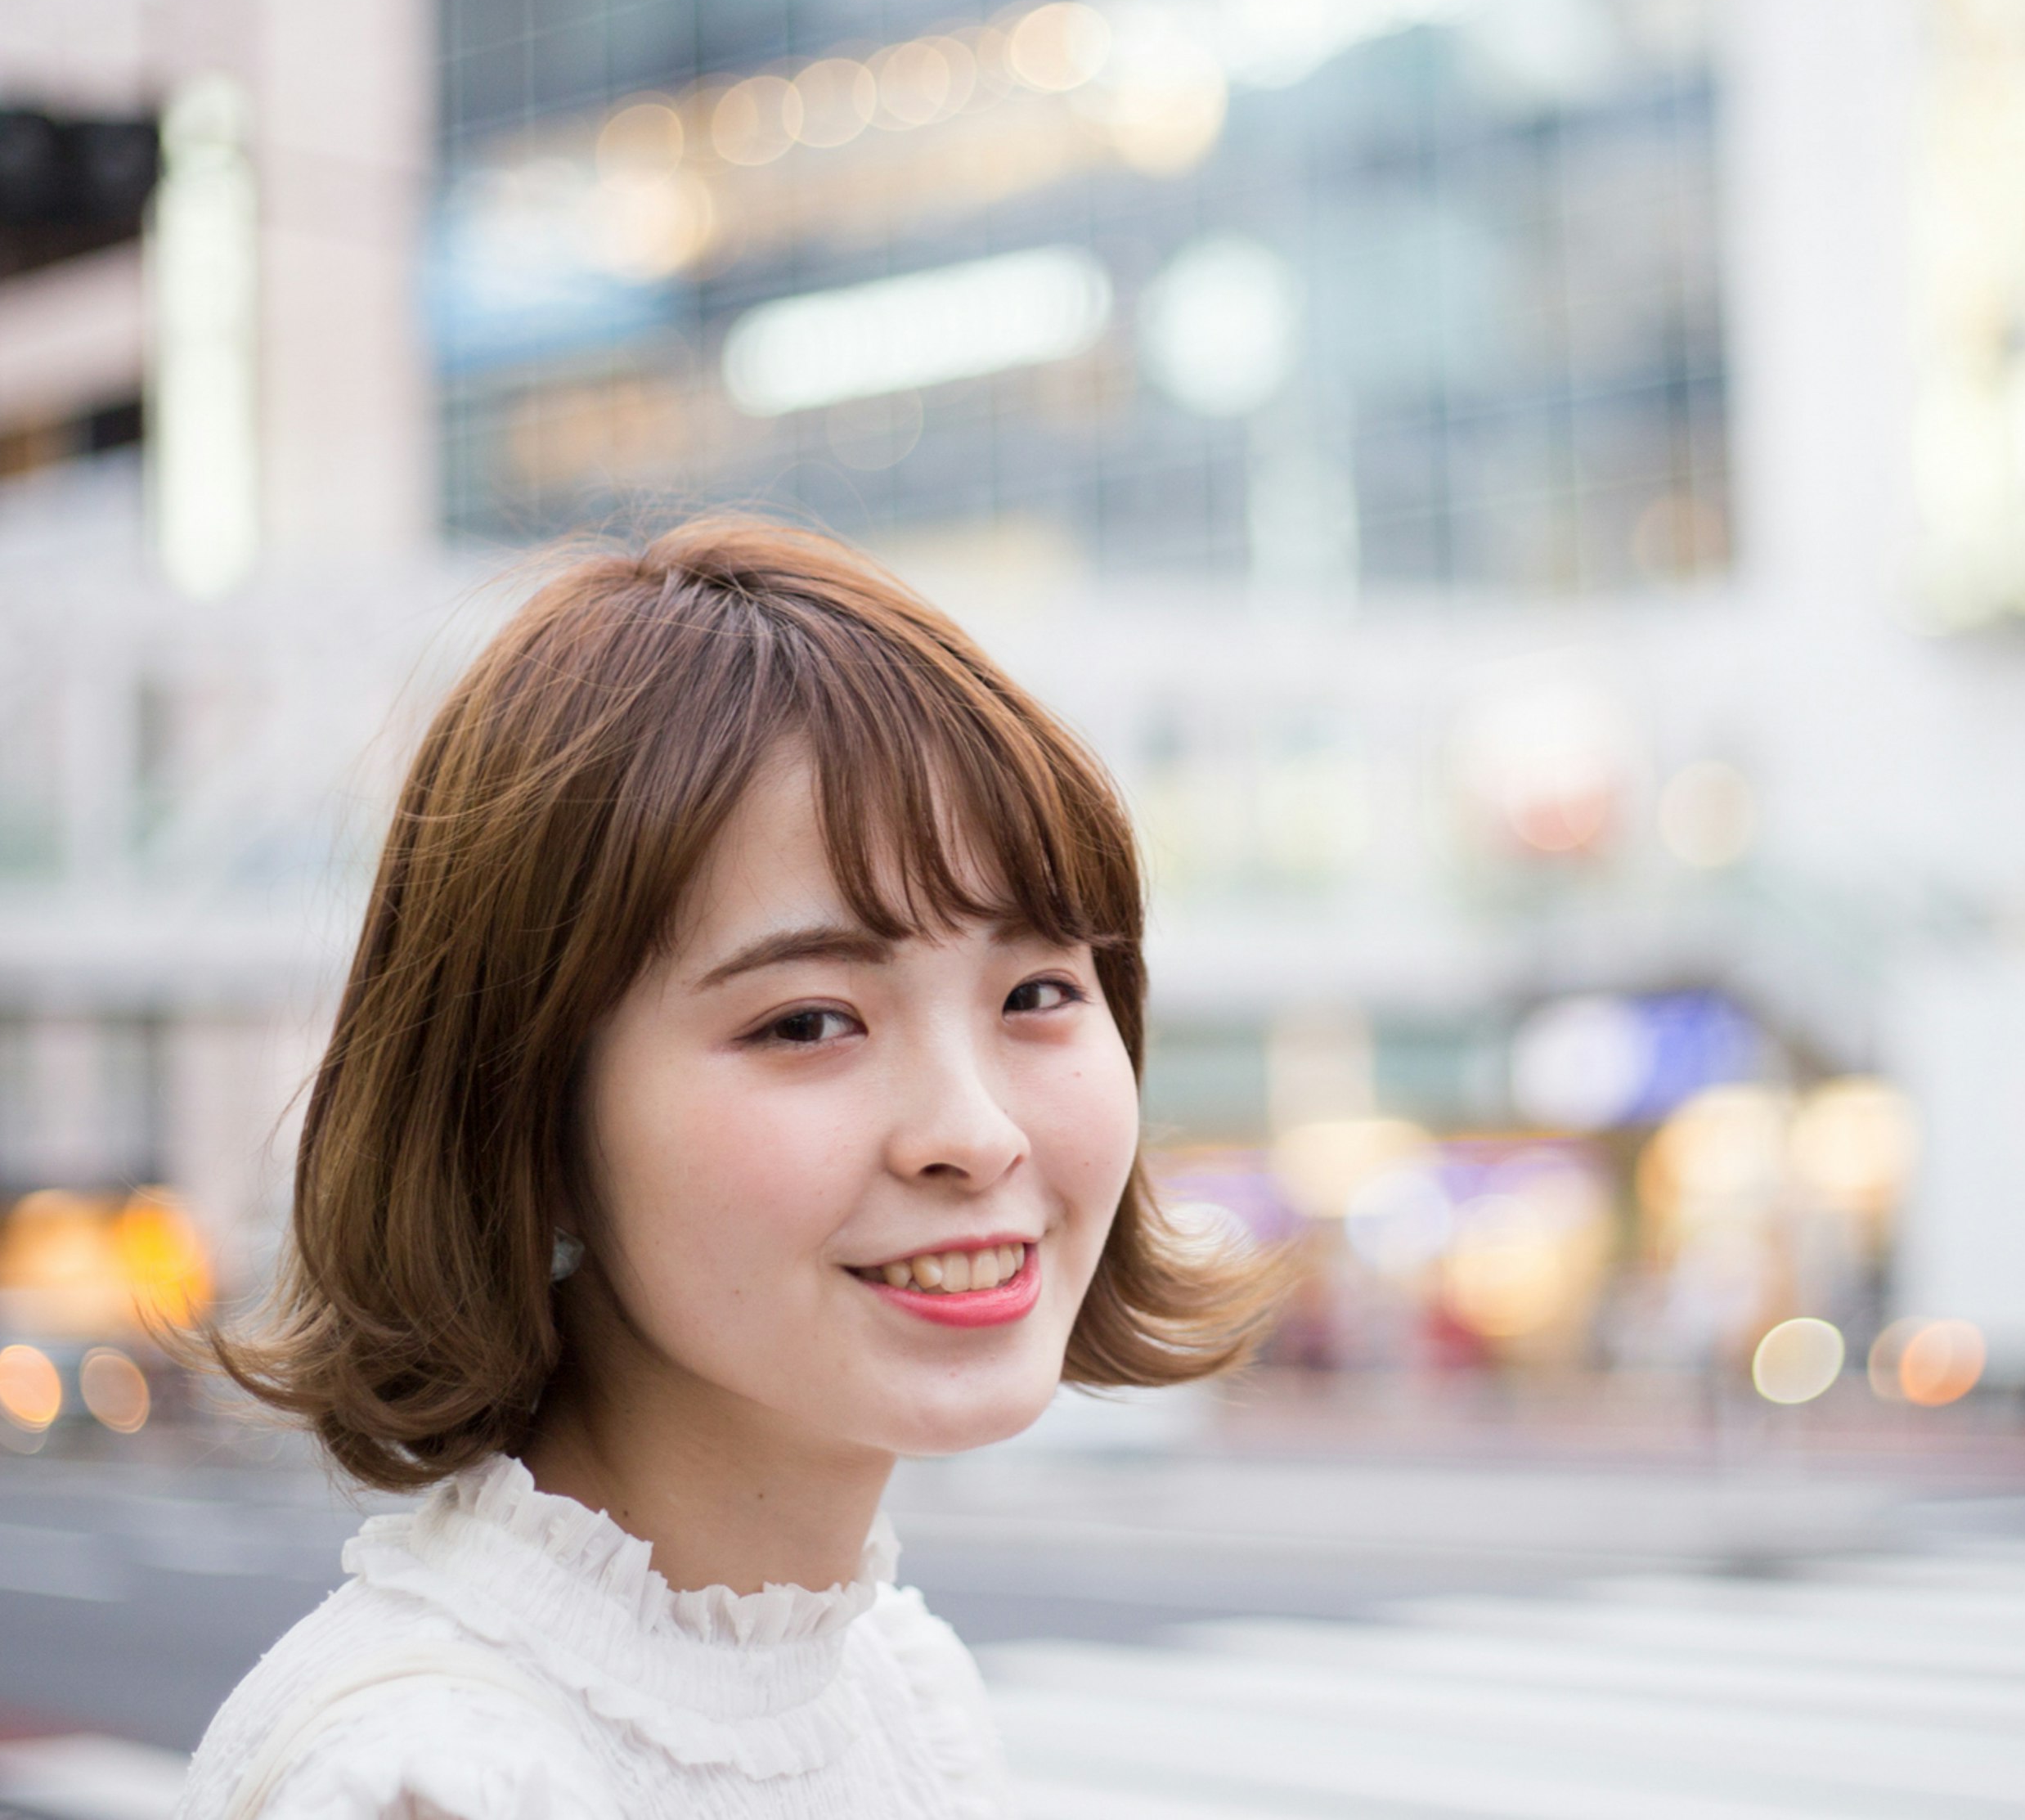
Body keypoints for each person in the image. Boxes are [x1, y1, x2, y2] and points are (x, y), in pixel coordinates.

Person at [173, 519, 1272, 1819]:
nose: (975, 1134)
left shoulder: (896, 1693)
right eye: (807, 1021)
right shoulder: (448, 1783)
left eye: (1038, 990)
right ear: (531, 1123)